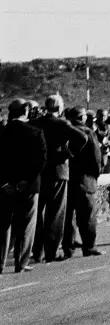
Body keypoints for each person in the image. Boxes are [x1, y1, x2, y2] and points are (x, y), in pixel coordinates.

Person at [31, 94, 88, 264]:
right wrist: (68, 153)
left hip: (39, 172)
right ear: (59, 108)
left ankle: (37, 251)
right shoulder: (62, 124)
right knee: (55, 214)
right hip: (58, 171)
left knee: (38, 214)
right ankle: (51, 251)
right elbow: (82, 138)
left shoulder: (35, 123)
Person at [0, 99, 47, 273]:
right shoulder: (35, 132)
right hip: (28, 185)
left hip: (5, 187)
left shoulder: (2, 132)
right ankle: (21, 261)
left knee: (3, 225)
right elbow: (41, 160)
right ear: (25, 111)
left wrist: (4, 183)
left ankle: (0, 262)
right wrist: (27, 180)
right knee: (26, 223)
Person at [62, 107, 103, 258]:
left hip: (67, 179)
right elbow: (96, 158)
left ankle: (68, 246)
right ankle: (89, 246)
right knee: (87, 217)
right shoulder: (87, 132)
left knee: (66, 217)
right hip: (85, 179)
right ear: (83, 117)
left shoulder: (64, 132)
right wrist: (95, 176)